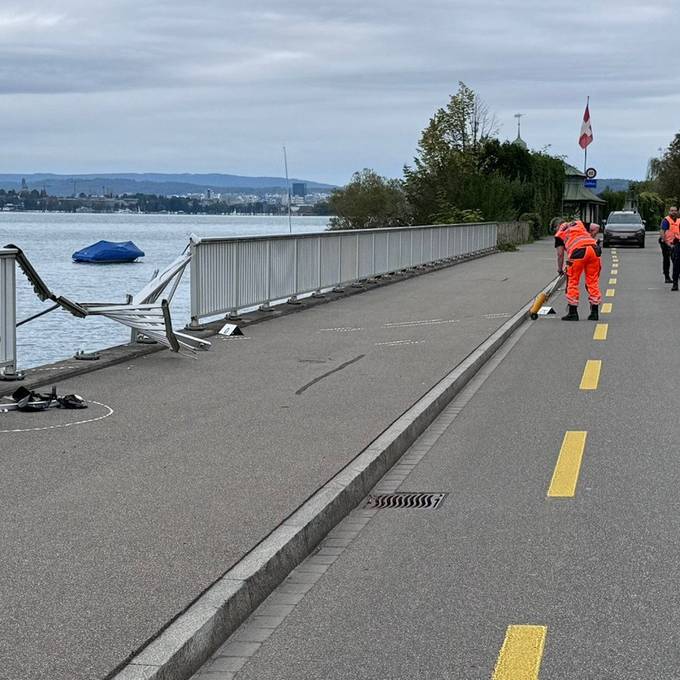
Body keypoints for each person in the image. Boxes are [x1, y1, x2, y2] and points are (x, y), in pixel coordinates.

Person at [554, 219, 602, 320]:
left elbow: (560, 254)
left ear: (556, 226)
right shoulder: (578, 223)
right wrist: (589, 238)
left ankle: (573, 313)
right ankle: (594, 312)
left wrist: (560, 269)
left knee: (572, 282)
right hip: (594, 249)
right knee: (592, 281)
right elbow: (596, 227)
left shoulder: (560, 234)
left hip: (578, 253)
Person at [660, 207, 680, 288]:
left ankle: (676, 275)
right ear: (669, 211)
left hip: (676, 243)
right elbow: (662, 231)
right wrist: (665, 241)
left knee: (675, 260)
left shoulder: (678, 220)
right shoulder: (666, 220)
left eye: (675, 211)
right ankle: (667, 276)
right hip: (666, 243)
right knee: (666, 259)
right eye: (672, 211)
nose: (673, 212)